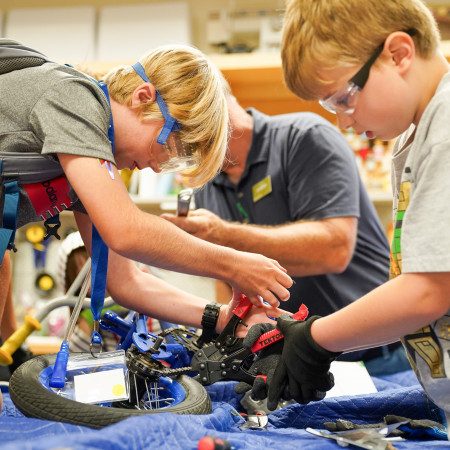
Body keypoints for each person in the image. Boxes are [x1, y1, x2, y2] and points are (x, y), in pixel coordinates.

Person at [0, 42, 294, 409]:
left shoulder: (85, 159)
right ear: (142, 97)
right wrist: (235, 264)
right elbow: (127, 230)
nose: (158, 166)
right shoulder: (74, 97)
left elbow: (127, 282)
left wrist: (223, 319)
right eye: (170, 147)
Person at [257, 0, 450, 433]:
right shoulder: (420, 135)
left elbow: (429, 291)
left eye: (345, 97)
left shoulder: (445, 132)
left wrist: (316, 338)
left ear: (398, 54)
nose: (344, 120)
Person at [161, 84, 409, 375]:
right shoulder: (208, 186)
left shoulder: (305, 138)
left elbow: (334, 249)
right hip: (302, 362)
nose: (172, 151)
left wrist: (221, 234)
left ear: (211, 110)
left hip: (380, 355)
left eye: (175, 134)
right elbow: (228, 286)